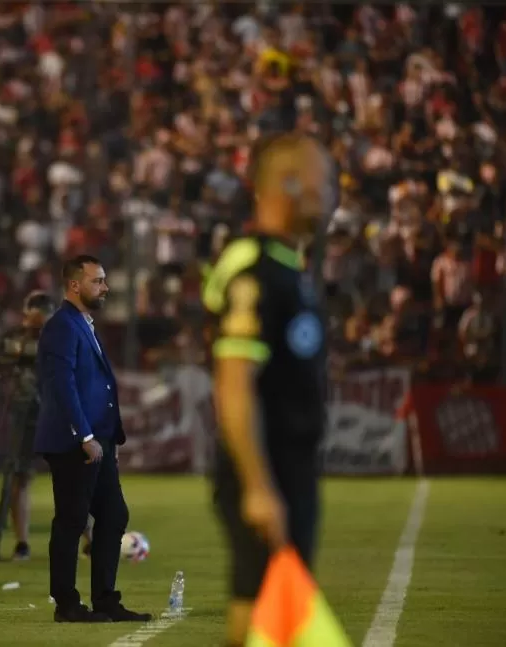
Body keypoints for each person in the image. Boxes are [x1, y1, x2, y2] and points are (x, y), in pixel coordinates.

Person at [202, 133, 332, 647]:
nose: (331, 197)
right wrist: (258, 486)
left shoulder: (288, 266)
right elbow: (234, 382)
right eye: (324, 183)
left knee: (255, 618)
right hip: (267, 469)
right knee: (265, 620)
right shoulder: (253, 265)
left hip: (286, 469)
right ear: (290, 184)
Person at [35, 255, 151, 624]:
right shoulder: (62, 326)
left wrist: (105, 437)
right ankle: (66, 604)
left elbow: (94, 384)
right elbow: (62, 385)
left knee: (114, 514)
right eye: (98, 281)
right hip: (76, 443)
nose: (105, 287)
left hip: (97, 440)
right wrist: (84, 434)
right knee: (71, 520)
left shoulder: (82, 324)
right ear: (74, 285)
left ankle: (105, 599)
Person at [0, 290, 55, 560]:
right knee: (18, 476)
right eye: (34, 320)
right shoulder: (12, 337)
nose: (38, 326)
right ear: (26, 314)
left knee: (69, 479)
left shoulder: (64, 336)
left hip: (56, 414)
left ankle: (89, 539)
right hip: (22, 413)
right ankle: (20, 542)